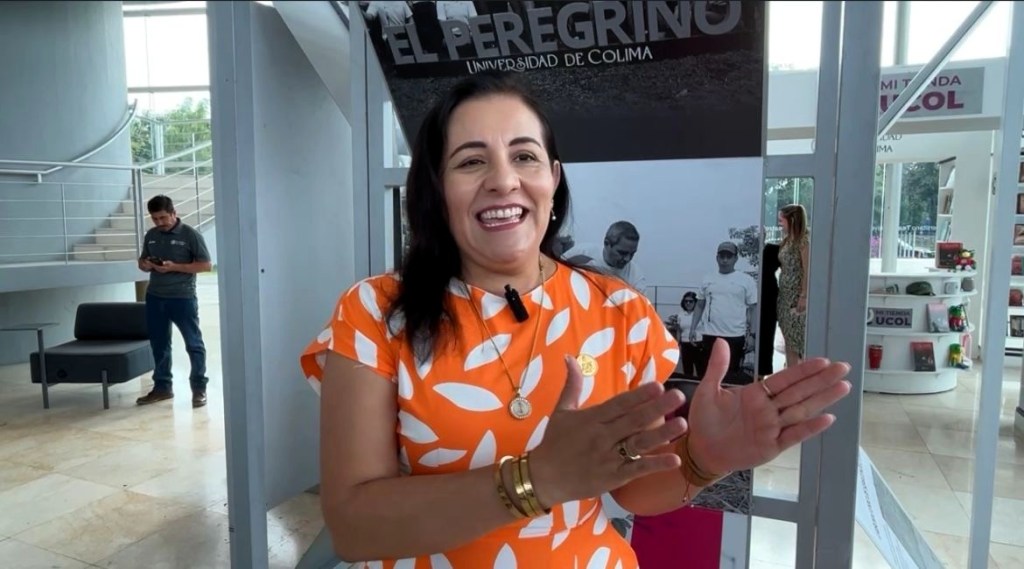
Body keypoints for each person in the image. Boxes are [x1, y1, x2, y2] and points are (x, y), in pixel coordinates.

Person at [299, 72, 851, 568]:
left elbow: (635, 490)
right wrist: (534, 479)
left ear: (554, 177)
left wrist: (703, 461)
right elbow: (353, 526)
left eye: (524, 156)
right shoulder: (375, 312)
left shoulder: (619, 311)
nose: (503, 180)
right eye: (471, 161)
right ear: (437, 190)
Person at [136, 195, 213, 408]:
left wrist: (174, 267)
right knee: (159, 345)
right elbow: (142, 260)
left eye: (163, 217)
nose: (159, 222)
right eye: (155, 219)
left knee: (193, 344)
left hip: (183, 298)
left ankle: (199, 389)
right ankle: (162, 388)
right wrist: (145, 264)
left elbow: (206, 265)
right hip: (155, 297)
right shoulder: (151, 235)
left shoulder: (191, 235)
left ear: (174, 213)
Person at [689, 241, 758, 382]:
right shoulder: (707, 279)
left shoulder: (746, 280)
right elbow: (700, 305)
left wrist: (752, 335)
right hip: (710, 335)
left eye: (729, 256)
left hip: (735, 336)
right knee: (708, 375)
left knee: (730, 377)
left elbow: (753, 308)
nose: (725, 260)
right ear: (717, 258)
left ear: (735, 258)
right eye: (722, 256)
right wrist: (693, 328)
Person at [563, 221, 648, 294]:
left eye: (632, 254)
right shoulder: (580, 253)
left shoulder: (636, 278)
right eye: (622, 253)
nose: (627, 259)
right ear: (607, 243)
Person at [777, 204, 810, 369]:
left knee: (795, 341)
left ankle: (796, 373)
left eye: (781, 220)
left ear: (791, 220)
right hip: (784, 296)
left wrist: (803, 296)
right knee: (788, 339)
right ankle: (791, 371)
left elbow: (807, 270)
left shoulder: (803, 241)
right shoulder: (787, 240)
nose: (779, 224)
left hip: (795, 297)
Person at [758, 241, 781, 381]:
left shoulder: (772, 249)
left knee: (766, 335)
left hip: (768, 297)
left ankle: (761, 373)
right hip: (760, 296)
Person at [670, 291, 703, 379]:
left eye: (691, 301)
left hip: (698, 344)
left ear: (695, 302)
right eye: (686, 301)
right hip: (685, 344)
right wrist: (677, 343)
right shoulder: (681, 315)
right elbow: (679, 330)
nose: (688, 303)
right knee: (687, 370)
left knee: (701, 370)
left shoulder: (701, 315)